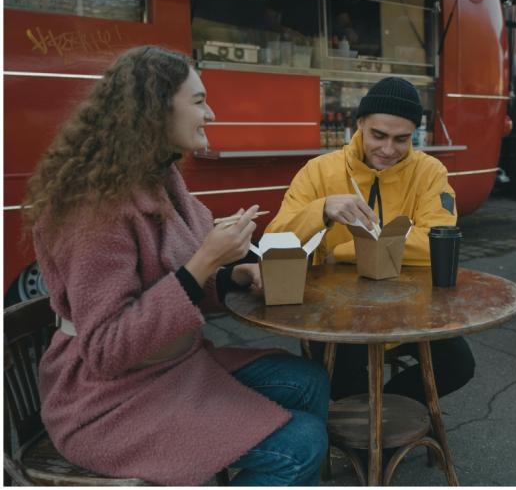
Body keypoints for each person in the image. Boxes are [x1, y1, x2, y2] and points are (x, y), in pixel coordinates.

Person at [23, 46, 329, 486]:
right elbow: (107, 350)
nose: (212, 114)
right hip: (106, 403)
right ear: (155, 109)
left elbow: (172, 280)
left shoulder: (160, 178)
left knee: (309, 381)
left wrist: (232, 275)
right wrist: (205, 262)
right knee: (300, 444)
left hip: (170, 370)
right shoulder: (92, 208)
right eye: (200, 101)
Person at [265, 76, 475, 404]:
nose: (388, 150)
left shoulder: (430, 172)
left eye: (401, 139)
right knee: (338, 378)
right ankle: (376, 420)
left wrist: (344, 251)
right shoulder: (318, 171)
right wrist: (322, 209)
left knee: (458, 364)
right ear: (360, 123)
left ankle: (383, 414)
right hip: (333, 309)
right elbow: (274, 241)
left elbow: (437, 242)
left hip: (408, 306)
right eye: (378, 135)